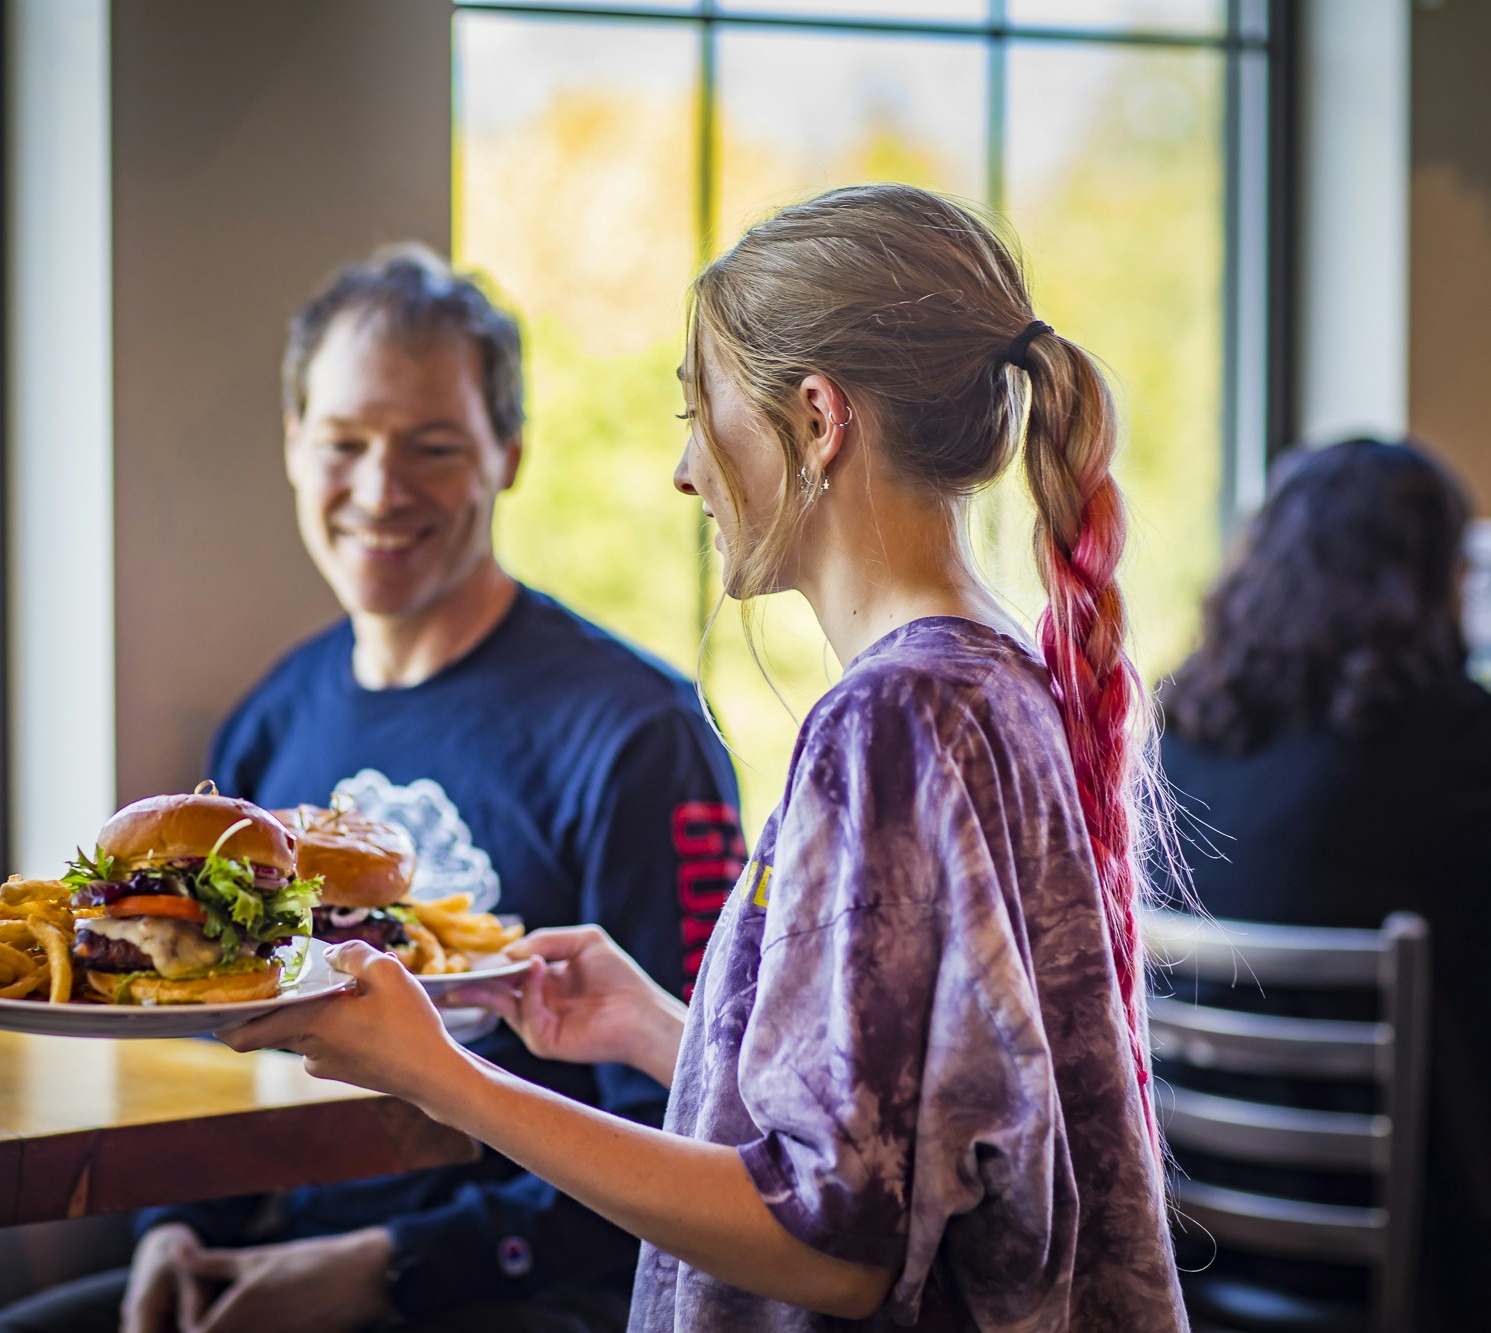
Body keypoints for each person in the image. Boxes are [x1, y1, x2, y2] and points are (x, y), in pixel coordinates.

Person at [224, 183, 1190, 1331]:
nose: (685, 469)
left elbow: (833, 1249)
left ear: (817, 421)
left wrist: (445, 1075)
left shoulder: (884, 723)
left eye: (702, 409)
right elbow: (904, 1142)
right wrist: (658, 1033)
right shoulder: (987, 684)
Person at [0, 248, 743, 1333]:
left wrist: (386, 1266)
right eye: (342, 444)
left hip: (533, 1289)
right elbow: (205, 1047)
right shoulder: (274, 719)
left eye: (430, 447)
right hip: (269, 1251)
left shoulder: (637, 734)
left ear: (506, 454)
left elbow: (696, 1134)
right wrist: (174, 1230)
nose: (380, 490)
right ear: (294, 447)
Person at [1159, 437, 1491, 1332]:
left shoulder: (1178, 735)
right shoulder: (1448, 740)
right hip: (1426, 1249)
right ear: (1425, 579)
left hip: (1192, 1234)